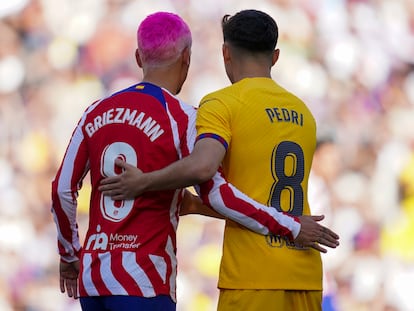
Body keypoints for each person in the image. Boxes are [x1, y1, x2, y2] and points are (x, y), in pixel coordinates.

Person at [51, 11, 339, 311]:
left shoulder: (95, 111)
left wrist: (70, 255)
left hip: (94, 279)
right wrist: (289, 225)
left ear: (138, 57)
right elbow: (214, 190)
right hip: (145, 279)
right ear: (186, 58)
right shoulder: (187, 118)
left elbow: (62, 189)